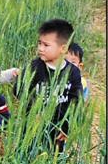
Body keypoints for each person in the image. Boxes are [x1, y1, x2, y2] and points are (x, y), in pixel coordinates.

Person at [15, 19, 83, 152]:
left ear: (63, 48)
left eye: (46, 45)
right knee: (26, 155)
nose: (40, 48)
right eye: (39, 43)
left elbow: (76, 101)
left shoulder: (73, 72)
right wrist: (33, 110)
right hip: (32, 125)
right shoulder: (34, 67)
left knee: (53, 162)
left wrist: (67, 128)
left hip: (57, 128)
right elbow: (19, 90)